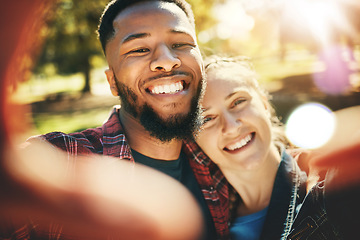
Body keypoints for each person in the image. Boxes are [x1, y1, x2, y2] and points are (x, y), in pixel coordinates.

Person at [13, 0, 231, 239]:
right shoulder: (58, 164)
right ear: (113, 82)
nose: (167, 61)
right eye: (139, 49)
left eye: (180, 43)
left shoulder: (221, 161)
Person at [193, 55, 357, 239]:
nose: (231, 127)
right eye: (207, 119)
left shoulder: (329, 185)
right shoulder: (202, 225)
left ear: (264, 103)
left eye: (238, 102)